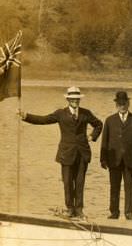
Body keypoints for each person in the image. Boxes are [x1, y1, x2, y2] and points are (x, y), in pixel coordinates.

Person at [18, 86, 102, 220]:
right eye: (72, 99)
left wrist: (92, 137)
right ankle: (70, 208)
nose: (75, 101)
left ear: (79, 100)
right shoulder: (60, 113)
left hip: (82, 153)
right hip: (66, 154)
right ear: (68, 99)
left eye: (77, 99)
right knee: (67, 182)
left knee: (80, 182)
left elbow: (99, 124)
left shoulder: (86, 113)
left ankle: (79, 210)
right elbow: (43, 120)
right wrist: (26, 116)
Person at [100, 91, 132, 220]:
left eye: (124, 103)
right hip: (114, 160)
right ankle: (114, 212)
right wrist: (103, 159)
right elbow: (105, 140)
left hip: (131, 160)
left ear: (128, 103)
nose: (122, 106)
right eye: (120, 104)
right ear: (116, 105)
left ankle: (129, 212)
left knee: (130, 188)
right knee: (114, 187)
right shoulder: (109, 120)